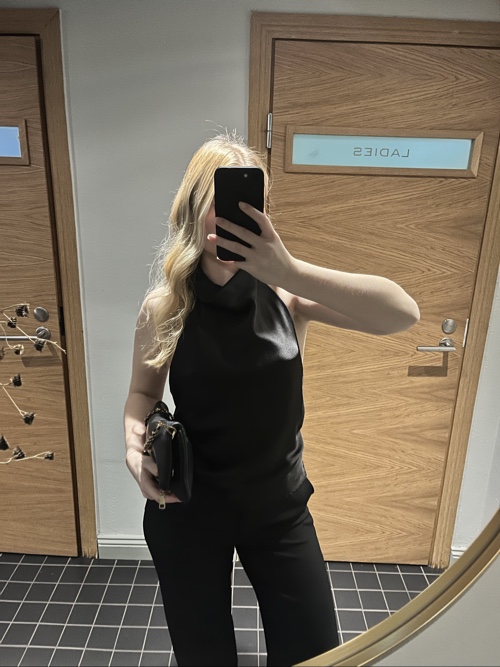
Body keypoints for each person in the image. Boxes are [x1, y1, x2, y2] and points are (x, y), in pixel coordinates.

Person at [123, 133, 420, 667]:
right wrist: (133, 447)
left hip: (278, 506)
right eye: (218, 202)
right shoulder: (164, 306)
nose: (233, 216)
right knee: (203, 656)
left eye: (248, 204)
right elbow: (142, 393)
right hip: (189, 505)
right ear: (193, 207)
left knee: (314, 653)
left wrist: (289, 271)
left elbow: (402, 314)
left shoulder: (290, 294)